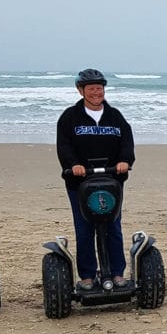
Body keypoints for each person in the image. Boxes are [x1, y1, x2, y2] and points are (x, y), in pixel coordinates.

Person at [56, 68, 136, 290]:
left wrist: (125, 160)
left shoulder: (115, 117)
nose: (95, 92)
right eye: (91, 88)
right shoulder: (70, 117)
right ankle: (88, 275)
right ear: (80, 90)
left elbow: (127, 143)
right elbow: (64, 146)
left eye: (99, 88)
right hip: (80, 183)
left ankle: (117, 272)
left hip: (111, 182)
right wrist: (73, 165)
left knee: (113, 226)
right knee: (84, 228)